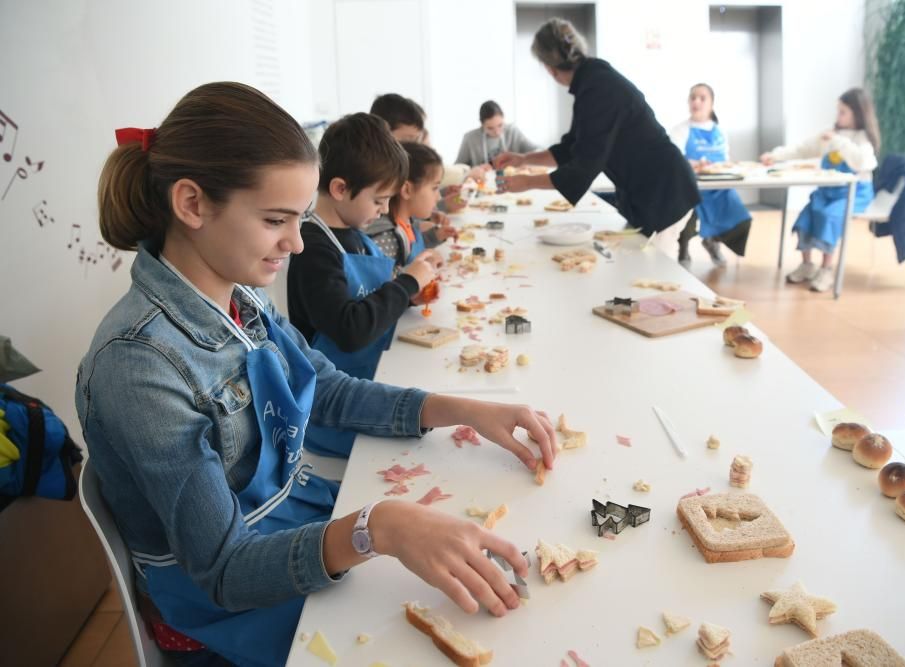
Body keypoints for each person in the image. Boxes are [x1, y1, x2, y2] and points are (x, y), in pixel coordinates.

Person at [77, 82, 557, 667]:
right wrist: (377, 527)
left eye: (299, 218)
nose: (298, 243)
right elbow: (226, 569)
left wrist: (460, 408)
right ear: (193, 204)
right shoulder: (137, 366)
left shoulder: (239, 300)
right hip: (229, 601)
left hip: (294, 518)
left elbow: (323, 387)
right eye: (276, 219)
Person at [287, 113, 445, 461]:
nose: (385, 210)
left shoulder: (355, 235)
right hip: (335, 412)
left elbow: (371, 302)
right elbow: (349, 329)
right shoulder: (314, 248)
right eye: (378, 201)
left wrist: (410, 296)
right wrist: (405, 284)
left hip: (372, 380)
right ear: (340, 188)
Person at [494, 18, 700, 240]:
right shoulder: (592, 80)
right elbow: (571, 149)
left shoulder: (597, 89)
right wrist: (523, 160)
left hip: (664, 192)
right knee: (628, 263)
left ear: (550, 69)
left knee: (652, 271)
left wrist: (527, 182)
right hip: (648, 190)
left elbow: (584, 167)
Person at [760, 88, 879, 291]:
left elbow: (864, 163)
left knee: (828, 216)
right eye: (838, 111)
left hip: (854, 193)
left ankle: (827, 269)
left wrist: (839, 142)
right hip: (828, 191)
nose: (838, 116)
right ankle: (807, 265)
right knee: (807, 215)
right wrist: (776, 155)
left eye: (843, 112)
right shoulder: (829, 134)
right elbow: (802, 149)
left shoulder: (862, 139)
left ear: (858, 113)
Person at [670, 83, 753, 268]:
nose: (696, 102)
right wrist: (693, 164)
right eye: (693, 97)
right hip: (691, 187)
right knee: (686, 216)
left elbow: (725, 158)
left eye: (702, 98)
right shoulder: (680, 130)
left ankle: (712, 241)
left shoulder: (719, 131)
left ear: (712, 103)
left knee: (741, 218)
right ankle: (683, 251)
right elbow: (674, 157)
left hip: (719, 188)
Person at [367, 142, 455, 268]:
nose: (439, 196)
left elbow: (408, 249)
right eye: (434, 188)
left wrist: (435, 236)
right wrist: (419, 270)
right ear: (407, 190)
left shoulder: (407, 221)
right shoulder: (385, 238)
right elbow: (384, 284)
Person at [455, 100, 537, 171]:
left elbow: (538, 150)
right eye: (490, 128)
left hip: (512, 181)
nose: (497, 132)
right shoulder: (470, 138)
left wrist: (525, 161)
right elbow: (457, 168)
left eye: (500, 125)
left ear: (503, 118)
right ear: (482, 124)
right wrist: (474, 170)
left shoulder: (513, 131)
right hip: (483, 184)